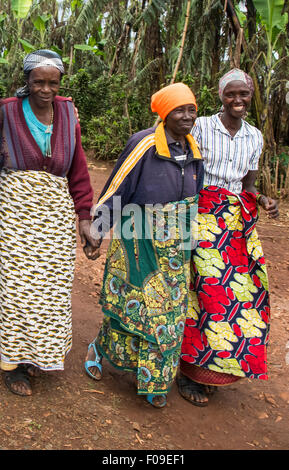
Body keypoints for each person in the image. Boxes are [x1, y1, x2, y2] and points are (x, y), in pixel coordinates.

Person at [84, 82, 204, 408]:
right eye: (179, 109)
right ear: (165, 113)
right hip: (138, 238)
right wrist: (98, 229)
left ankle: (155, 381)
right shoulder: (145, 144)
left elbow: (197, 199)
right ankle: (100, 348)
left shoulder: (194, 150)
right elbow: (117, 186)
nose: (187, 116)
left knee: (170, 316)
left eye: (191, 109)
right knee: (133, 308)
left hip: (176, 248)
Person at [0, 49, 99, 396]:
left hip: (54, 216)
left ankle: (36, 357)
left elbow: (79, 170)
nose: (45, 89)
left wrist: (85, 218)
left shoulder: (68, 114)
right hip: (13, 214)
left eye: (52, 83)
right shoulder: (6, 112)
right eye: (38, 82)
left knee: (51, 290)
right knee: (15, 289)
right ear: (26, 81)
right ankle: (13, 366)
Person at [177, 68, 279, 406]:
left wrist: (263, 199)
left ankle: (214, 369)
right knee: (207, 291)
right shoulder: (201, 126)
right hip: (201, 213)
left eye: (243, 94)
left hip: (235, 221)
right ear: (221, 95)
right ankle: (188, 371)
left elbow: (247, 185)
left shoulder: (254, 136)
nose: (237, 100)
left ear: (251, 95)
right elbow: (185, 168)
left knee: (243, 295)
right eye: (230, 94)